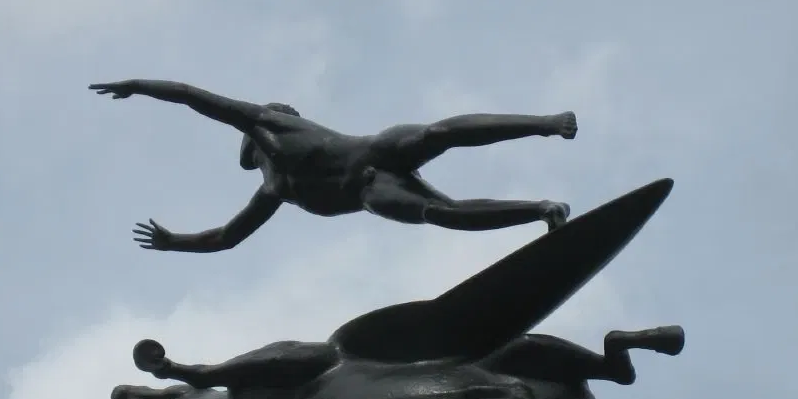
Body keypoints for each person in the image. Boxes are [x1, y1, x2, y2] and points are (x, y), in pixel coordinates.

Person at [89, 78, 578, 253]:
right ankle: (543, 209)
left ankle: (547, 123)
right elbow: (227, 237)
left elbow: (196, 99)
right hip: (372, 192)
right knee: (442, 214)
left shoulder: (271, 123)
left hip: (376, 153)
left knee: (437, 135)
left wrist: (139, 85)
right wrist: (176, 243)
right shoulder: (273, 191)